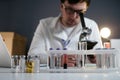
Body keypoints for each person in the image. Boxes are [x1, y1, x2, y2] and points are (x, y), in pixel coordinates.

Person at [28, 0, 103, 67]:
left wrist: (96, 59)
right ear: (61, 6)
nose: (74, 16)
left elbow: (100, 58)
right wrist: (56, 60)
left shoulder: (91, 25)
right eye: (70, 10)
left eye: (80, 12)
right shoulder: (45, 25)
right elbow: (32, 56)